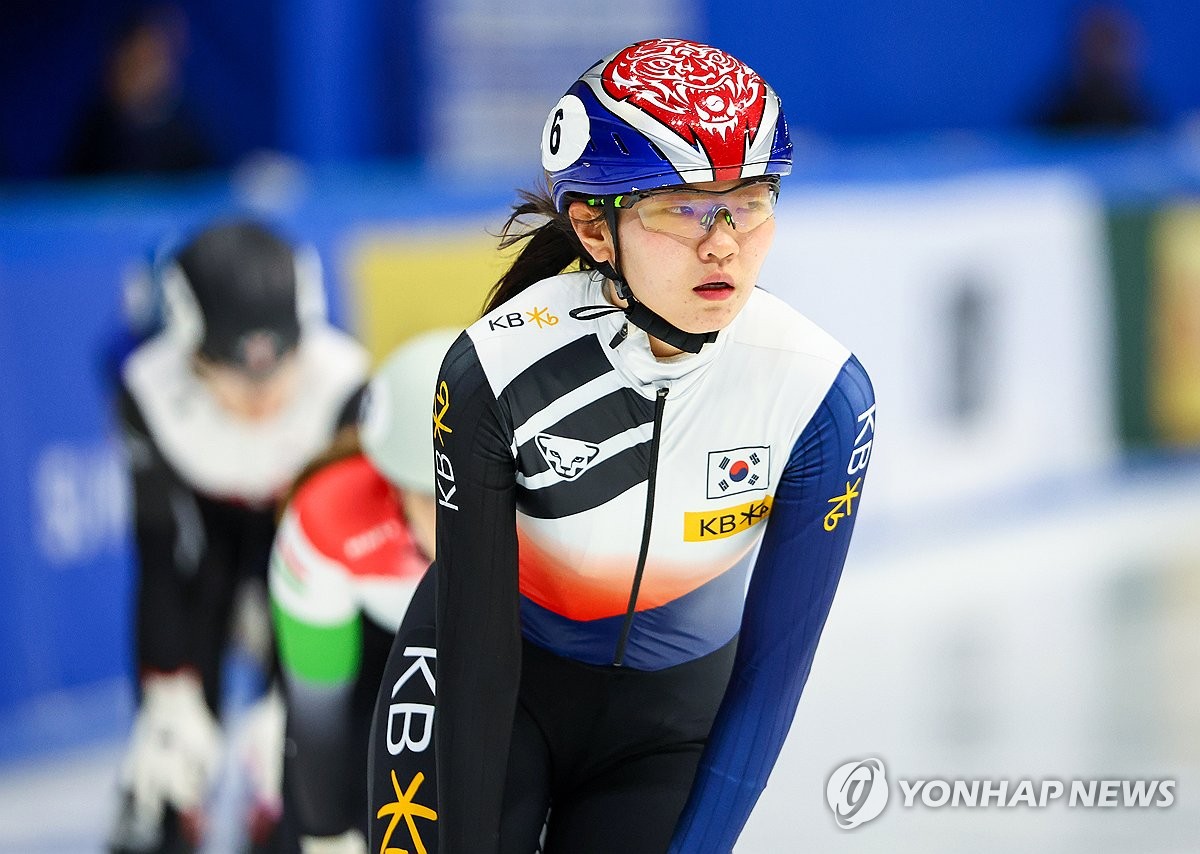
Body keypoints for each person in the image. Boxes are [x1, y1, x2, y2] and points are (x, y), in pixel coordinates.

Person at [367, 37, 876, 854]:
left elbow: (773, 673)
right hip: (494, 684)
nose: (722, 243)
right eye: (682, 207)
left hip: (665, 734)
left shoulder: (820, 396)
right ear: (594, 231)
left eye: (748, 202)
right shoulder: (494, 369)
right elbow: (477, 656)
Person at [108, 219, 369, 854]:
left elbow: (347, 565)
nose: (262, 397)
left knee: (307, 780)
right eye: (236, 373)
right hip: (207, 554)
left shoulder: (344, 385)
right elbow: (163, 557)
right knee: (164, 776)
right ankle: (170, 811)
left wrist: (308, 705)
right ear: (189, 352)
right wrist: (167, 688)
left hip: (305, 553)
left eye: (279, 369)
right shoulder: (147, 390)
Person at [268, 329, 458, 854]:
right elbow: (318, 712)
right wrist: (327, 833)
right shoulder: (328, 522)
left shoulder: (560, 509)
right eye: (435, 498)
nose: (460, 521)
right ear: (395, 485)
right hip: (374, 652)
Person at [65, 4, 216, 177]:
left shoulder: (187, 134)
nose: (143, 75)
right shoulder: (95, 130)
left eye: (150, 63)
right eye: (133, 65)